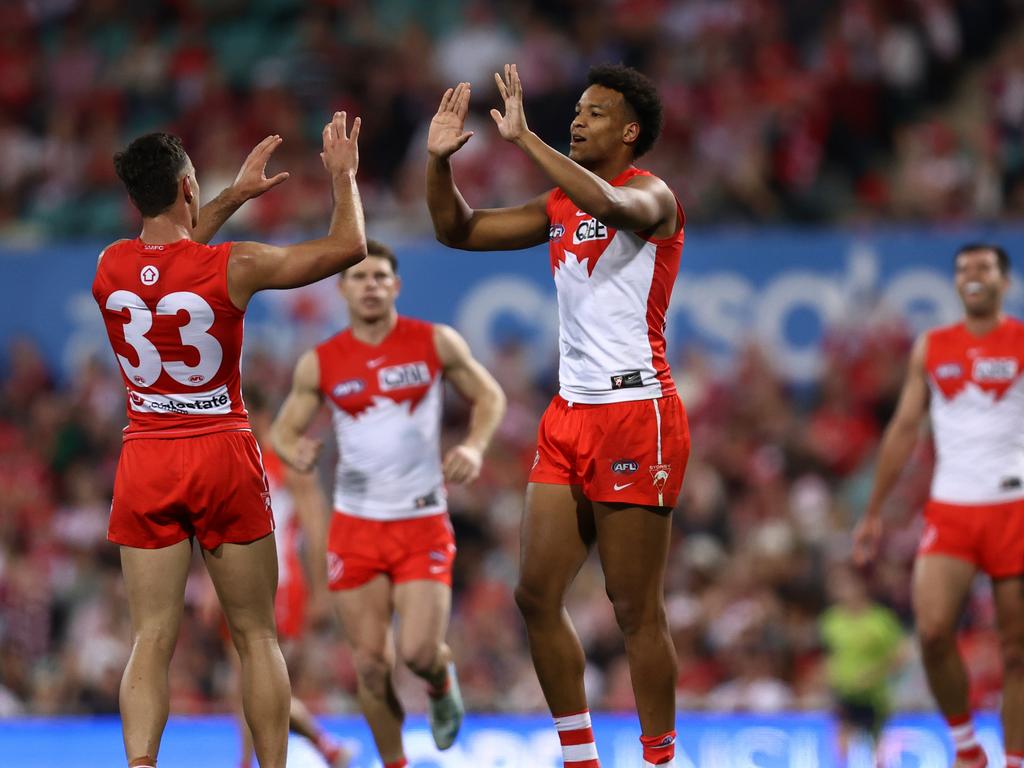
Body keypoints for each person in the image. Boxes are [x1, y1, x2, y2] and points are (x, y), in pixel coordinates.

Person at [426, 64, 688, 768]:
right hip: (570, 415)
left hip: (638, 414)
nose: (579, 120)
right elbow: (459, 230)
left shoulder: (654, 196)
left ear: (630, 132)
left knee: (635, 610)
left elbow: (613, 209)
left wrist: (524, 139)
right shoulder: (557, 205)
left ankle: (659, 758)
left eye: (595, 114)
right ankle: (580, 757)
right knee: (535, 595)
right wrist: (437, 162)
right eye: (575, 110)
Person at [94, 112, 366, 768]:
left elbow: (167, 258)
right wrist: (344, 179)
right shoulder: (233, 266)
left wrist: (231, 196)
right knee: (255, 635)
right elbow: (347, 247)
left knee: (151, 637)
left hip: (148, 454)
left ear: (136, 197)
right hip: (221, 450)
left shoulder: (108, 268)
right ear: (187, 187)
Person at [270, 241, 506, 768]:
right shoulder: (322, 362)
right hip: (355, 528)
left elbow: (490, 396)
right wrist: (295, 449)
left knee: (419, 652)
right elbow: (283, 429)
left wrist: (473, 445)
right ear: (343, 289)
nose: (370, 285)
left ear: (396, 286)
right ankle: (395, 763)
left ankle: (441, 679)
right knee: (372, 666)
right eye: (359, 277)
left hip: (420, 521)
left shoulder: (434, 342)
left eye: (380, 276)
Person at [854, 243, 1024, 768]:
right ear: (954, 282)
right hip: (952, 506)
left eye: (984, 268)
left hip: (1013, 504)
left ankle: (1014, 758)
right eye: (963, 269)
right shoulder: (931, 346)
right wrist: (874, 510)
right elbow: (905, 429)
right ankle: (968, 747)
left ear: (1005, 281)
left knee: (1017, 649)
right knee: (931, 632)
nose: (972, 276)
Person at [222, 389, 350, 768]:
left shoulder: (287, 463)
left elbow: (316, 526)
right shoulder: (234, 462)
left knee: (253, 678)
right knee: (246, 683)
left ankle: (259, 760)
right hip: (238, 581)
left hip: (280, 584)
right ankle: (325, 746)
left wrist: (322, 593)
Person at [820, 564, 906, 766]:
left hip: (875, 696)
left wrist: (875, 674)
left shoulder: (880, 619)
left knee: (878, 747)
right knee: (841, 741)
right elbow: (828, 654)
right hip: (844, 691)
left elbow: (900, 654)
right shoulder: (831, 620)